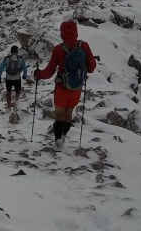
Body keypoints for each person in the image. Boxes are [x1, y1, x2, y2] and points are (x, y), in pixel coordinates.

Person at [33, 19, 97, 147]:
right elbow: (91, 68)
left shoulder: (58, 49)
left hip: (61, 87)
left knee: (60, 113)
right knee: (68, 113)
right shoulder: (84, 46)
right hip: (76, 87)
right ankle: (63, 136)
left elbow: (49, 72)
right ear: (76, 32)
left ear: (62, 34)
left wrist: (38, 74)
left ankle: (58, 140)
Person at [0, 45, 28, 111]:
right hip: (17, 78)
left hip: (8, 78)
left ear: (11, 51)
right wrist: (24, 75)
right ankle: (14, 102)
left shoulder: (7, 58)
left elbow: (1, 68)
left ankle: (8, 107)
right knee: (18, 92)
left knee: (8, 92)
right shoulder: (20, 59)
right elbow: (25, 68)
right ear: (17, 51)